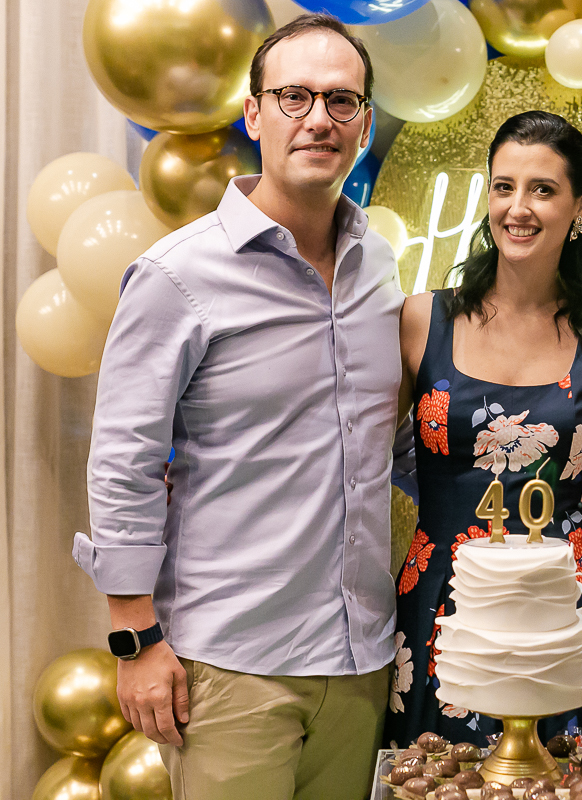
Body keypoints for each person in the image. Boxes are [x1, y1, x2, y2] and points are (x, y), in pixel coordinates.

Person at [71, 15, 401, 800]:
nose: (319, 118)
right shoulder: (177, 275)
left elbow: (389, 442)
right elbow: (123, 463)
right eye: (294, 97)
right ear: (254, 115)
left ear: (365, 125)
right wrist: (134, 639)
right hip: (231, 668)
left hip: (360, 662)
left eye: (342, 101)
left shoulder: (378, 266)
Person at [384, 110, 582, 748]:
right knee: (438, 780)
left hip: (568, 606)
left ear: (581, 205)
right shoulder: (420, 320)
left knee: (569, 782)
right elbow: (354, 458)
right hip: (444, 597)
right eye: (504, 186)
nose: (519, 208)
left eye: (543, 189)